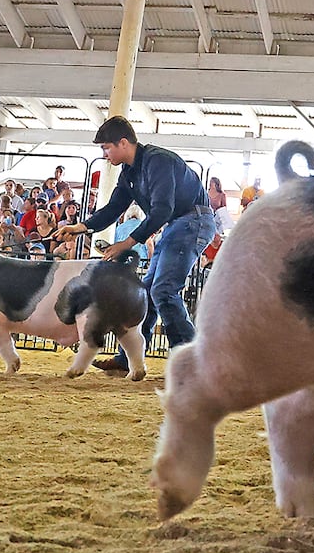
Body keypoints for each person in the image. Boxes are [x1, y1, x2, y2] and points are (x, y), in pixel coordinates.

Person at [52, 116, 216, 372]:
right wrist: (80, 227)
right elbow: (115, 207)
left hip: (194, 220)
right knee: (148, 291)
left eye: (107, 147)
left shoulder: (158, 161)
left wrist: (126, 243)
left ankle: (193, 363)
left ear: (124, 143)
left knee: (163, 290)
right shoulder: (129, 172)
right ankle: (127, 360)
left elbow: (162, 210)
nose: (105, 154)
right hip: (178, 224)